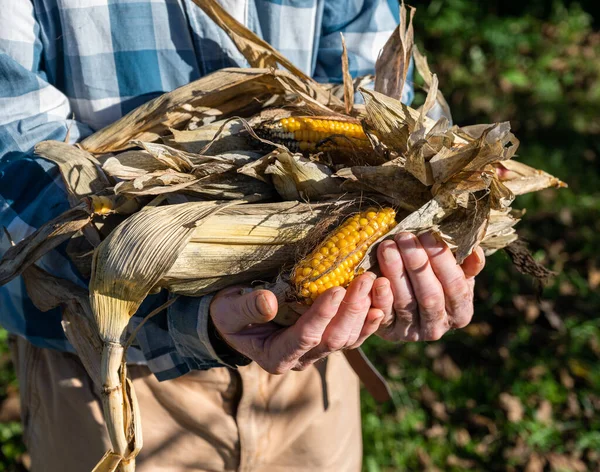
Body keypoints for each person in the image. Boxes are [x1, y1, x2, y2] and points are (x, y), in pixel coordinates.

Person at [0, 1, 485, 471]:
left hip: (317, 356)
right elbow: (17, 170)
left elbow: (378, 99)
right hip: (108, 369)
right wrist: (188, 317)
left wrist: (397, 264)